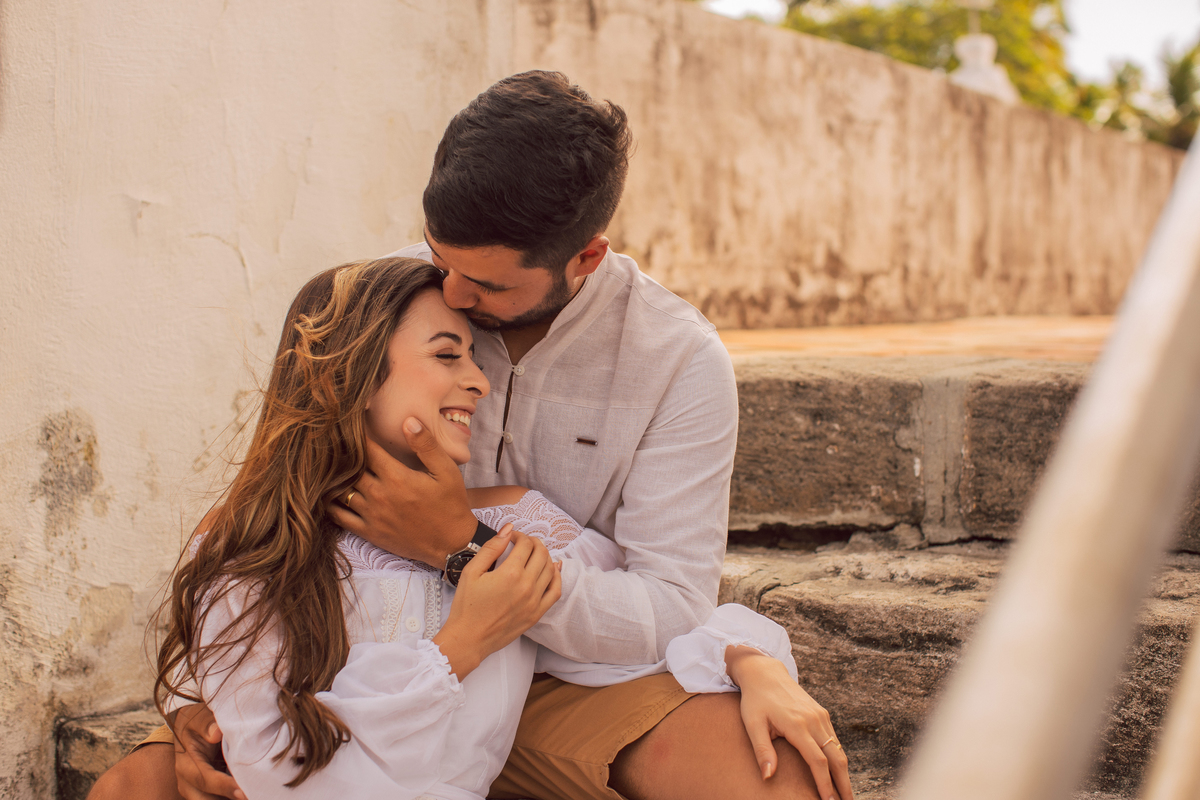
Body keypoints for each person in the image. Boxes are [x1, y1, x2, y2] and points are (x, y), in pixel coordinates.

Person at [89, 71, 853, 800]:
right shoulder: (401, 298)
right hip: (334, 673)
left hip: (558, 675)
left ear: (585, 256)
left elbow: (666, 603)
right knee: (141, 785)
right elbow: (265, 508)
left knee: (777, 776)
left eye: (484, 287)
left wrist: (461, 550)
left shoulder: (677, 360)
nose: (451, 293)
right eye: (437, 255)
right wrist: (197, 700)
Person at [138, 256, 802, 800]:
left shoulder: (512, 525)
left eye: (473, 356)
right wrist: (460, 646)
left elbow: (657, 621)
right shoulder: (258, 542)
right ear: (355, 375)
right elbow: (280, 774)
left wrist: (750, 658)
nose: (480, 381)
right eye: (449, 354)